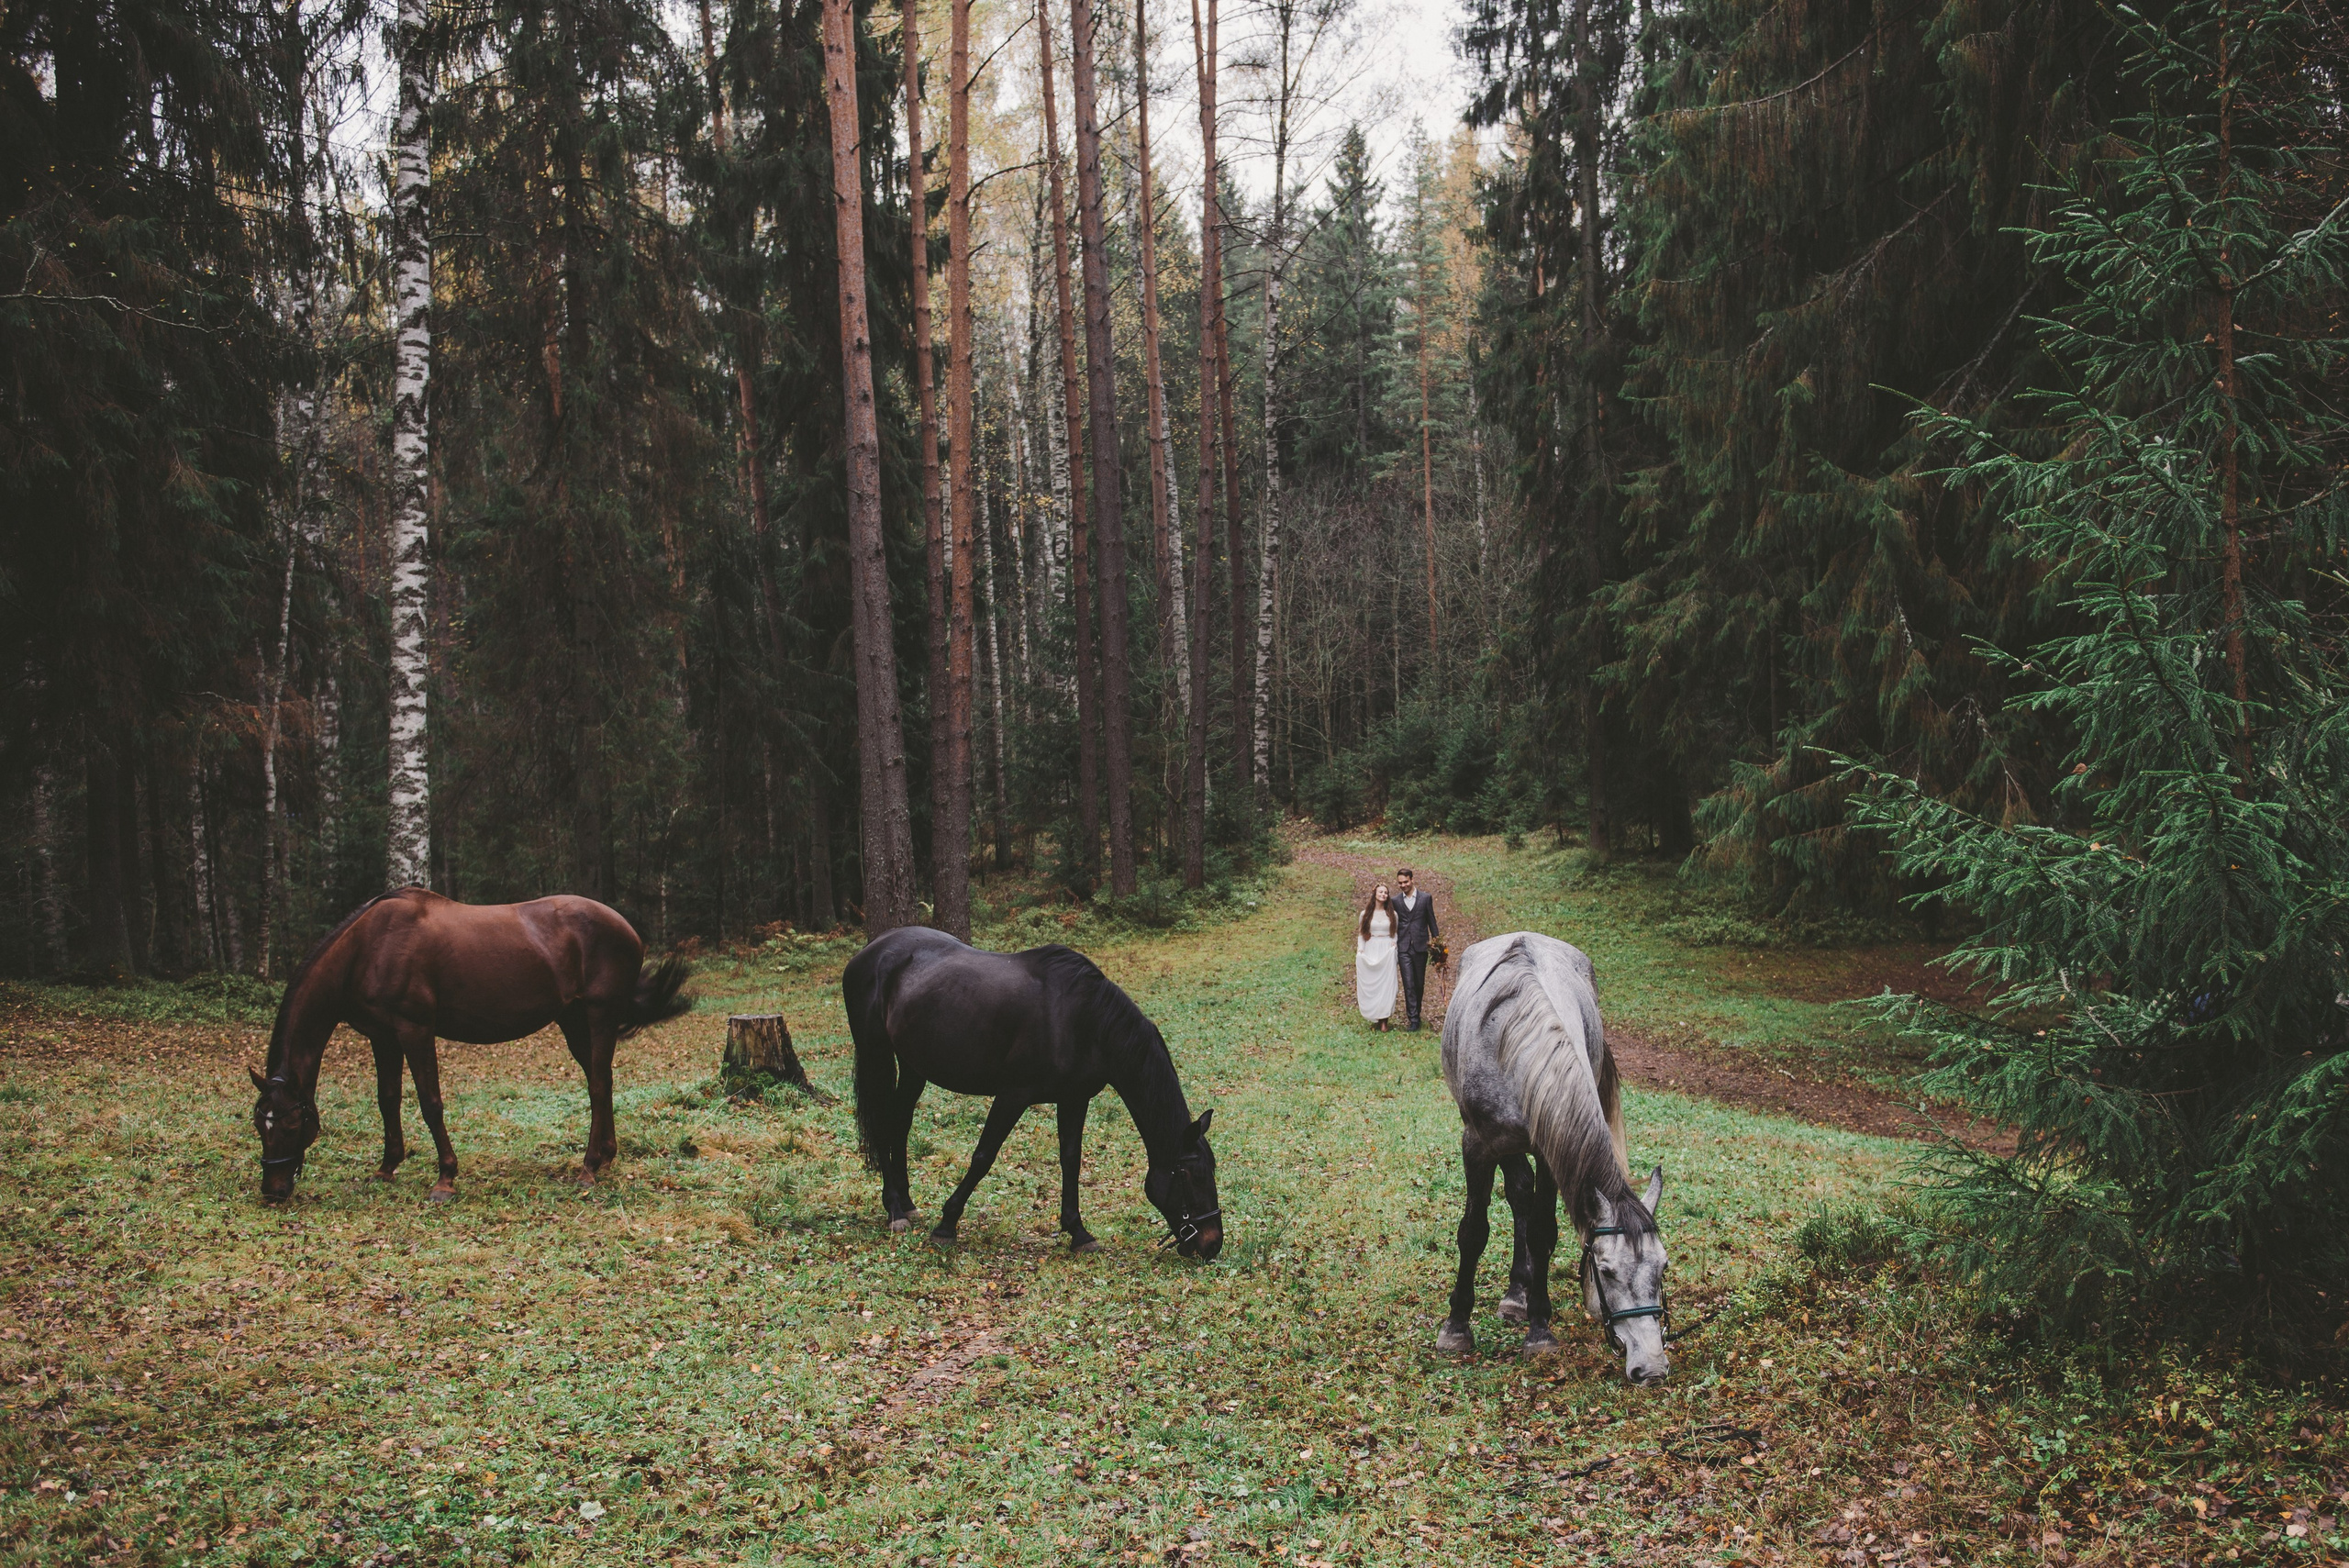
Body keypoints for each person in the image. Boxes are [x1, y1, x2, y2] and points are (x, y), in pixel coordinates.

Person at [1392, 866, 1441, 1031]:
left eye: (1405, 882)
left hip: (1421, 946)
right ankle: (1413, 1019)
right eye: (1400, 883)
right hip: (1404, 947)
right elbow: (1391, 923)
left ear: (1412, 880)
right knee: (1409, 984)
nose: (1403, 885)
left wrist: (1438, 944)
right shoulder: (1396, 901)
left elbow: (1432, 922)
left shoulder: (1425, 898)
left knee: (1419, 984)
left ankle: (1417, 1012)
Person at [1355, 884, 1398, 1029]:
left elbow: (1395, 933)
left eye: (1386, 892)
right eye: (1381, 892)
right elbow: (1361, 934)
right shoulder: (1365, 914)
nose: (1383, 894)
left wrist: (1393, 944)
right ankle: (1375, 1015)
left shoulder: (1392, 914)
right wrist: (1361, 950)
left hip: (1386, 949)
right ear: (1375, 894)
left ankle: (1384, 1020)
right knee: (1373, 982)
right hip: (1372, 947)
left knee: (1386, 984)